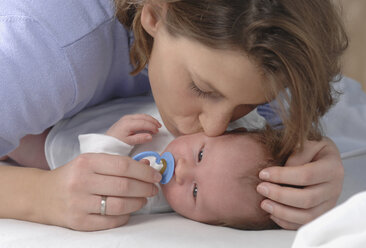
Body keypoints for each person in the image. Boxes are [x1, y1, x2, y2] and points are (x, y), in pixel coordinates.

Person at [0, 0, 347, 231]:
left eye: (248, 104)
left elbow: (271, 134)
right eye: (202, 88)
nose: (215, 129)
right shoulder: (43, 49)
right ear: (154, 16)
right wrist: (39, 195)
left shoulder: (251, 44)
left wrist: (309, 161)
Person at [8, 96, 281, 230]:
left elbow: (97, 178)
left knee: (17, 141)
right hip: (80, 108)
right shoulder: (226, 125)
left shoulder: (149, 195)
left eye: (195, 192)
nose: (182, 171)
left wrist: (111, 145)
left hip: (58, 150)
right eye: (200, 155)